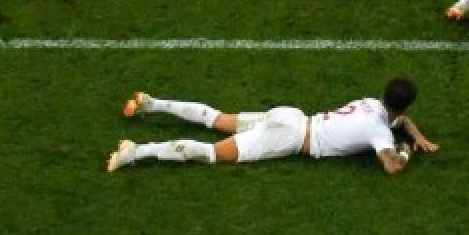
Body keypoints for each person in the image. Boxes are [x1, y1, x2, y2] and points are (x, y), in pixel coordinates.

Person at [106, 76, 438, 174]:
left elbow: (400, 120)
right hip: (290, 137)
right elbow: (391, 167)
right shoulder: (380, 131)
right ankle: (135, 152)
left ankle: (152, 103)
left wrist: (417, 134)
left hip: (291, 116)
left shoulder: (369, 104)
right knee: (211, 154)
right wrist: (407, 152)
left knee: (219, 119)